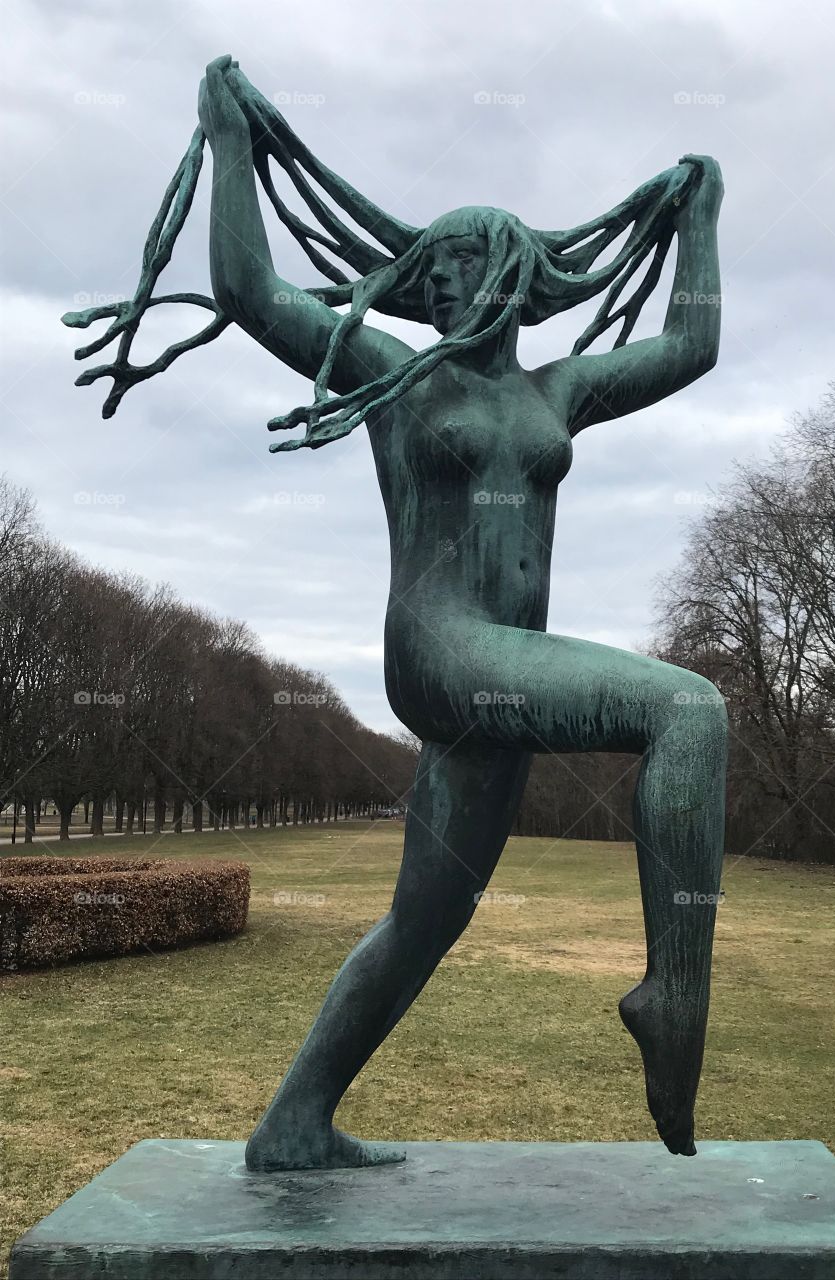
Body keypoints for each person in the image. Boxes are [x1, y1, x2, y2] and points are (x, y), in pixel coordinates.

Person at [156, 54, 730, 1171]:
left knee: (424, 921)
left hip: (499, 684)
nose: (459, 282)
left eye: (479, 262)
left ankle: (293, 1122)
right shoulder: (400, 375)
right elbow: (251, 293)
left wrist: (701, 215)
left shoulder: (554, 393)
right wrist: (230, 142)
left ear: (518, 276)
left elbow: (692, 347)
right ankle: (672, 995)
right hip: (441, 649)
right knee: (690, 712)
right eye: (445, 265)